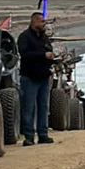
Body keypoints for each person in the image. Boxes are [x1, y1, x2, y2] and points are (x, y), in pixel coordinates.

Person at [17, 12, 56, 145]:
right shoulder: (24, 37)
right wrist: (43, 55)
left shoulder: (44, 38)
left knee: (43, 106)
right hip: (30, 77)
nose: (44, 24)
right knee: (29, 107)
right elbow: (25, 55)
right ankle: (28, 136)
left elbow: (48, 52)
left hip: (44, 76)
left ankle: (43, 134)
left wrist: (53, 60)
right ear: (34, 22)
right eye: (42, 22)